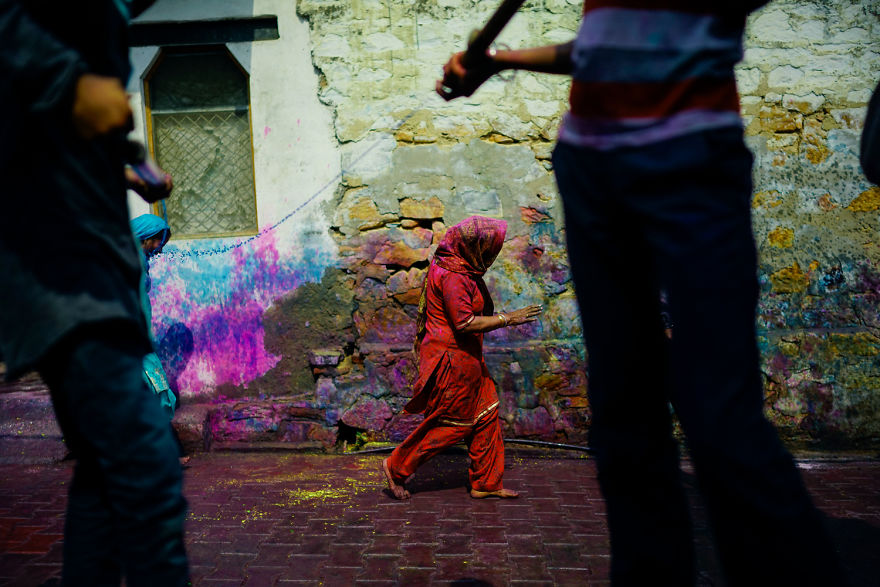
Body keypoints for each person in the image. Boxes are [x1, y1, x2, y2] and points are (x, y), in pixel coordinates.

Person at [437, 3, 844, 585]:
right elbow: (606, 44)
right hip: (591, 164)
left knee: (720, 416)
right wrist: (500, 61)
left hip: (690, 156)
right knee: (624, 418)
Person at [0, 2, 190, 585]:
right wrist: (82, 92)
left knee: (102, 481)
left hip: (89, 283)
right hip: (68, 286)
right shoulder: (33, 32)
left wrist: (130, 165)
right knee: (149, 469)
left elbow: (81, 133)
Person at [382, 216, 543, 500]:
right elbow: (464, 323)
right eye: (490, 248)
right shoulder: (454, 275)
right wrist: (508, 318)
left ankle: (486, 482)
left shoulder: (457, 262)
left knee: (486, 414)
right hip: (452, 362)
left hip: (468, 359)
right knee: (453, 423)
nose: (492, 253)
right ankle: (396, 466)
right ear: (474, 247)